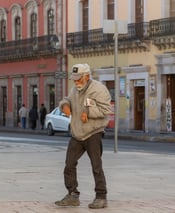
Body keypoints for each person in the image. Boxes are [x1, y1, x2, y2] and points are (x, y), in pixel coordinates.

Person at [55, 63, 112, 209]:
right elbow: (67, 99)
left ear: (87, 76)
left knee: (96, 166)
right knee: (69, 164)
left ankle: (101, 196)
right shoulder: (75, 89)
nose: (76, 82)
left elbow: (106, 110)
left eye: (78, 79)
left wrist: (89, 113)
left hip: (93, 133)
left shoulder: (99, 89)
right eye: (74, 79)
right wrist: (64, 106)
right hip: (77, 133)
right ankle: (72, 194)